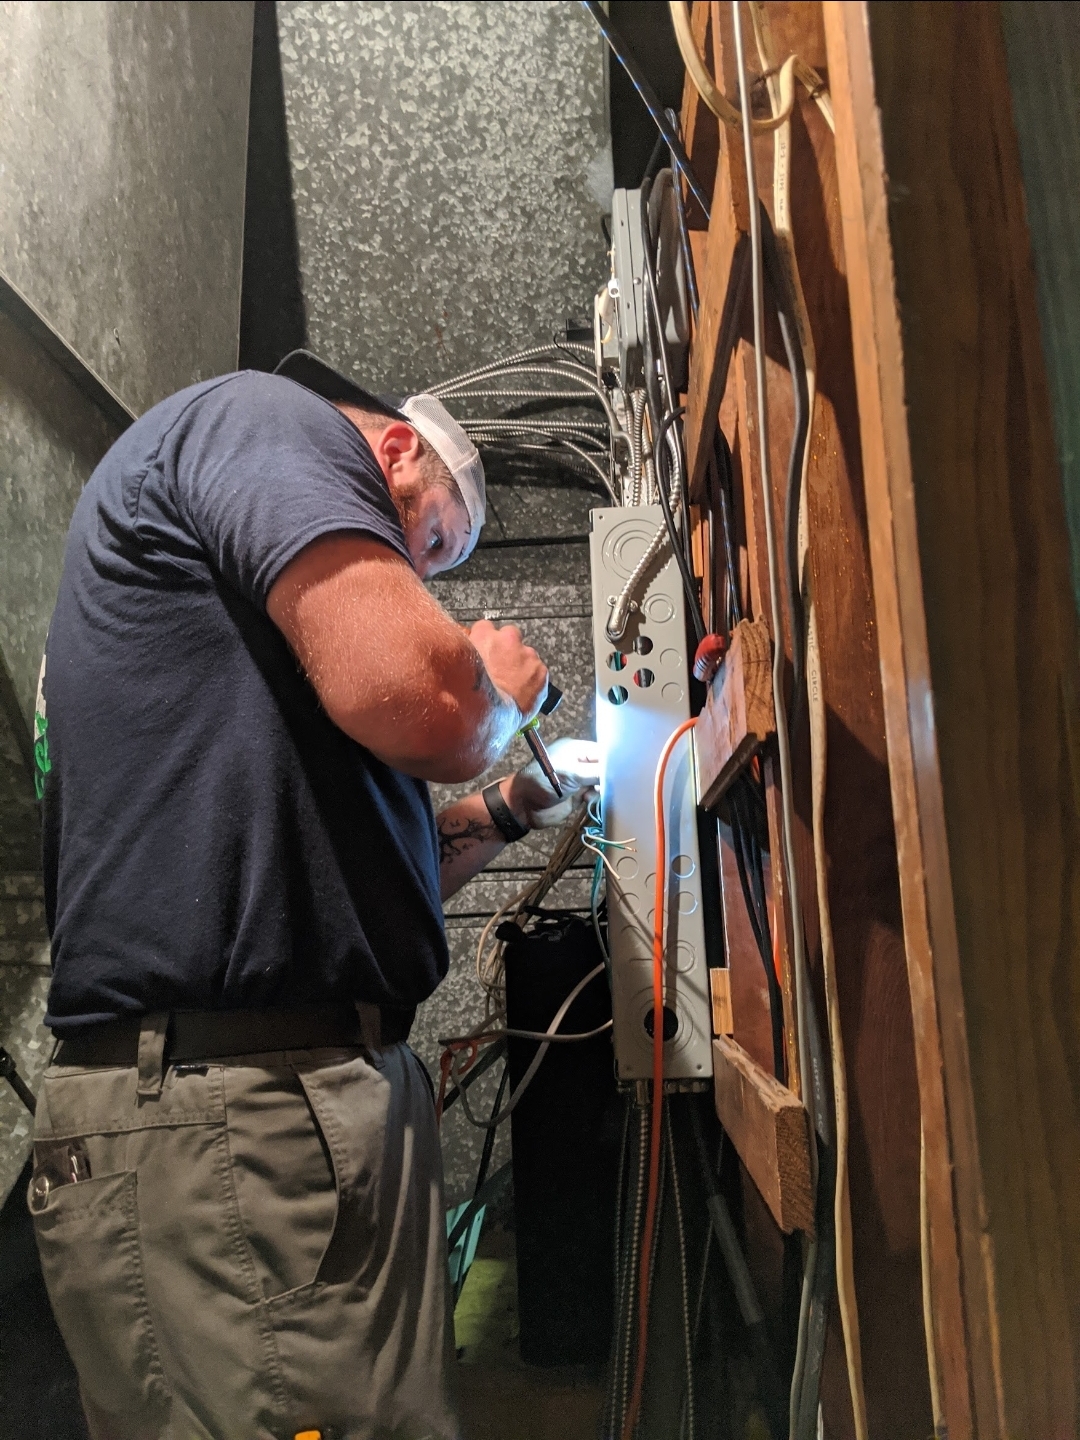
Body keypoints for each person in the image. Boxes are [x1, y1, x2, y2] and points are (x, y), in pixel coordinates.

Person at [28, 349, 599, 1440]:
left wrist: (515, 803)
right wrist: (493, 690)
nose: (417, 579)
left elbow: (356, 882)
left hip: (259, 1104)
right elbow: (431, 701)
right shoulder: (267, 420)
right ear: (394, 451)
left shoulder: (249, 621)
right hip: (239, 1113)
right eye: (431, 543)